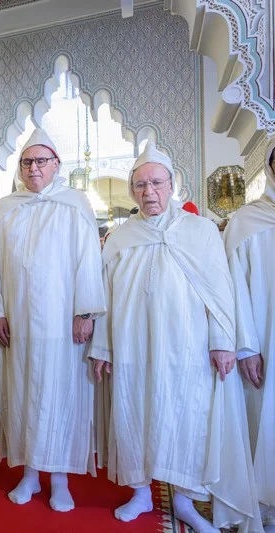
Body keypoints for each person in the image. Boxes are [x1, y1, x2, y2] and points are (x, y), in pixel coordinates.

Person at [90, 141, 261, 532]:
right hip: (133, 346)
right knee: (134, 413)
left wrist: (222, 342)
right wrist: (102, 347)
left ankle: (184, 501)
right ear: (132, 190)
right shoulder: (120, 237)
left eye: (156, 183)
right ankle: (140, 493)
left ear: (172, 184)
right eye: (140, 185)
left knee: (187, 419)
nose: (149, 192)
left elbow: (220, 293)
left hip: (188, 348)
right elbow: (106, 297)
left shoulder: (200, 231)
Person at [0, 129, 105, 512]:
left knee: (60, 395)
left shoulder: (75, 204)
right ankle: (30, 473)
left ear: (56, 165)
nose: (33, 168)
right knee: (22, 395)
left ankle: (61, 479)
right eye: (27, 162)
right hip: (17, 324)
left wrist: (85, 312)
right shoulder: (6, 208)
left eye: (41, 161)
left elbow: (89, 261)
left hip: (62, 324)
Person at [223, 137, 275, 530]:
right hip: (263, 343)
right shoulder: (247, 222)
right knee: (264, 421)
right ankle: (263, 507)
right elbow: (233, 290)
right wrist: (245, 347)